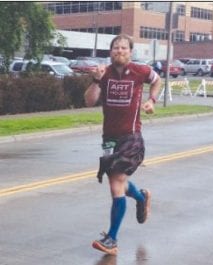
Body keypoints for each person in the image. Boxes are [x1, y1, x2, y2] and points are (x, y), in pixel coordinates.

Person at [84, 34, 161, 255]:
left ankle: (112, 239)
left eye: (124, 48)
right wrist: (96, 80)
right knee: (118, 182)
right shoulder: (104, 74)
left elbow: (157, 80)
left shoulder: (140, 71)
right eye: (116, 48)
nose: (120, 51)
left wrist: (151, 100)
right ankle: (141, 196)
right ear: (111, 52)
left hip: (131, 136)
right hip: (109, 137)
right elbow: (89, 101)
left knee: (116, 183)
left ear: (130, 51)